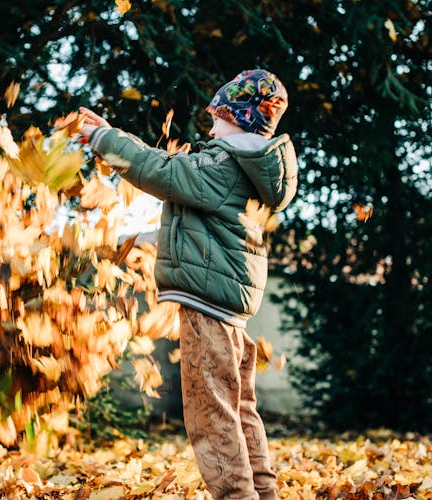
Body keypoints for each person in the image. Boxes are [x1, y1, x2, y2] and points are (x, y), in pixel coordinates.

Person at [78, 69, 297, 500]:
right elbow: (202, 226)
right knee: (238, 408)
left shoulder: (224, 162)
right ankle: (262, 494)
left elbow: (158, 170)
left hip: (208, 311)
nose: (210, 127)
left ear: (239, 120)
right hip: (230, 311)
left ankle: (236, 497)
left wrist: (103, 138)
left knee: (210, 413)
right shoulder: (250, 171)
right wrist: (144, 241)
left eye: (217, 118)